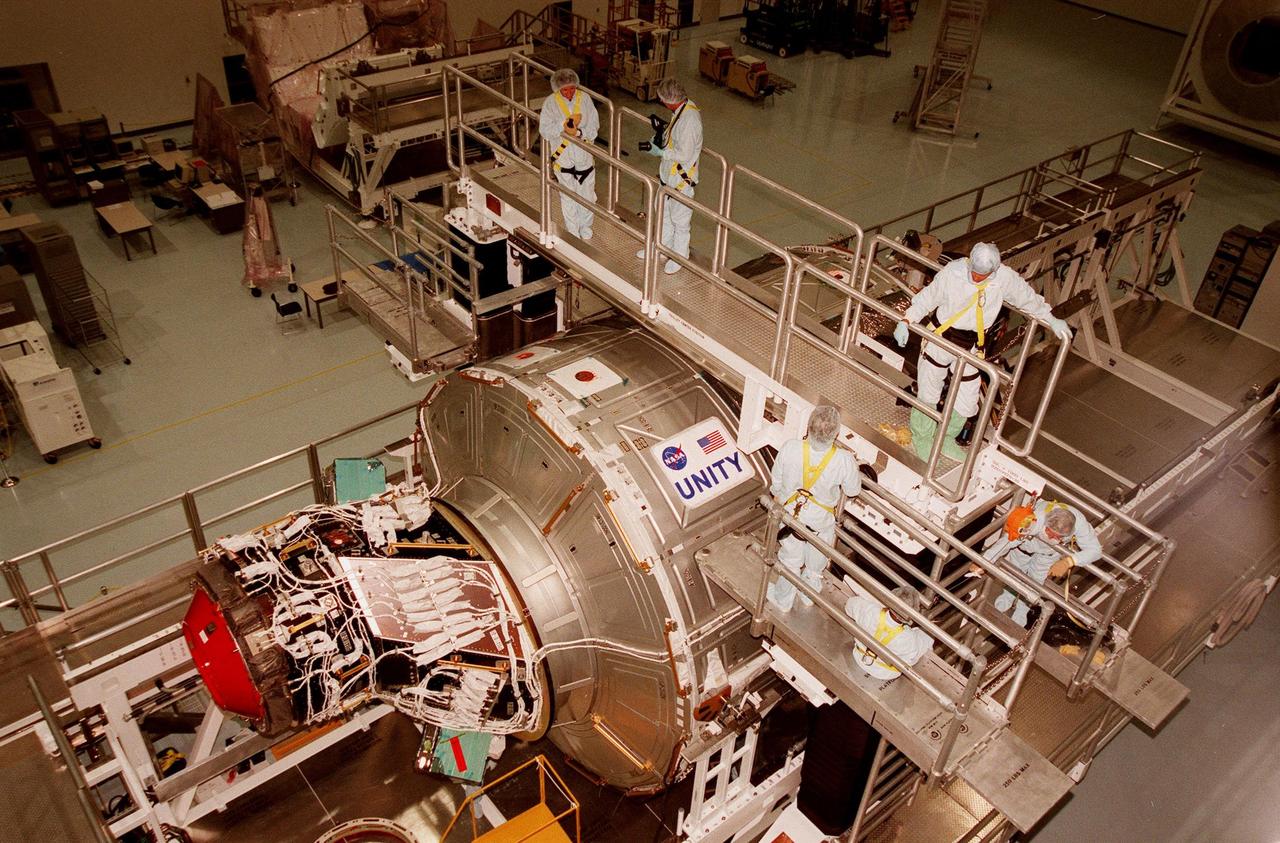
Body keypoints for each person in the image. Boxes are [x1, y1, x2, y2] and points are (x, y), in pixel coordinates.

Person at [892, 243, 1072, 461]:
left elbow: (1027, 299)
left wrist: (1051, 319)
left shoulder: (1003, 279)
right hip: (942, 337)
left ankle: (946, 437)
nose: (977, 279)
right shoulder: (953, 273)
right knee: (929, 392)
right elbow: (928, 298)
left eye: (983, 276)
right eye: (975, 274)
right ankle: (922, 437)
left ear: (994, 271)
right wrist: (906, 319)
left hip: (973, 346)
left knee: (967, 399)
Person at [767, 405, 861, 612]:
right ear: (836, 433)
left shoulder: (791, 448)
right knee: (816, 561)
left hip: (791, 514)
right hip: (821, 520)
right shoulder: (844, 460)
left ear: (809, 427)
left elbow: (776, 482)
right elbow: (853, 490)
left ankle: (783, 600)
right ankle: (808, 595)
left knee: (790, 559)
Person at [977, 498, 1102, 626]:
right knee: (1015, 572)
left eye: (1057, 537)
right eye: (1049, 533)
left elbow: (1096, 550)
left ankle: (1023, 609)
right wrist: (984, 562)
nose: (1051, 538)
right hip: (1024, 547)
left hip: (1048, 555)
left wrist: (1069, 561)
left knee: (1036, 581)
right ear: (1046, 523)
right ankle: (1007, 597)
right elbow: (1007, 542)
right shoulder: (1035, 519)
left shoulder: (1079, 524)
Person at [637, 78, 703, 275]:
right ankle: (662, 249)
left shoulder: (690, 121)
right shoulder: (680, 112)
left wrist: (660, 152)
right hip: (668, 178)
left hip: (681, 181)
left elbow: (685, 155)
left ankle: (679, 256)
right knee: (664, 217)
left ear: (668, 100)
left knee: (680, 221)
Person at [539, 68, 599, 240]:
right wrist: (562, 126)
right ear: (558, 89)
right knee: (568, 197)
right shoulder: (550, 103)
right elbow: (545, 130)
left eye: (572, 88)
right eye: (565, 89)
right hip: (563, 158)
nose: (569, 92)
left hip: (584, 155)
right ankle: (572, 230)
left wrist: (579, 133)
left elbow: (594, 127)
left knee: (587, 195)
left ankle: (585, 226)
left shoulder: (585, 99)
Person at [844, 586, 935, 681]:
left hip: (859, 657)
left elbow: (849, 605)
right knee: (926, 636)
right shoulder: (908, 638)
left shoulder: (870, 610)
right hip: (885, 673)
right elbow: (915, 654)